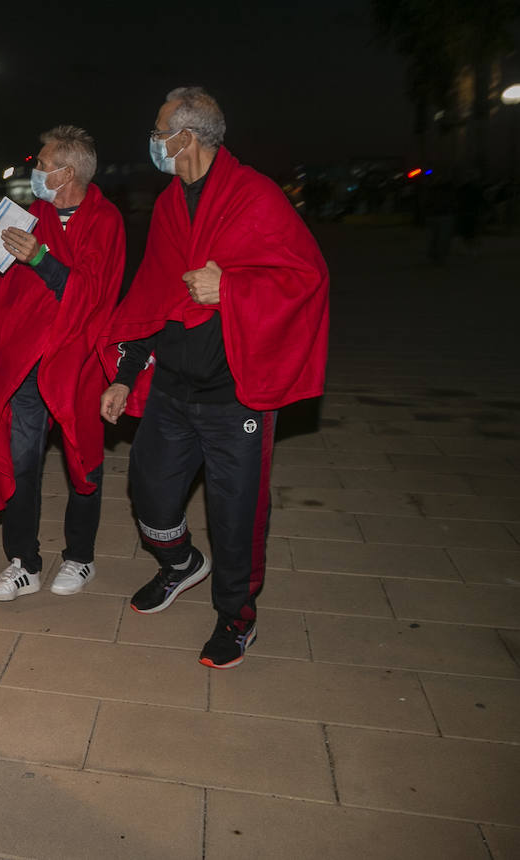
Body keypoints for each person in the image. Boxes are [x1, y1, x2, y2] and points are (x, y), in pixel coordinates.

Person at [98, 87, 329, 669]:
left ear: (186, 138)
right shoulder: (171, 204)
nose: (152, 141)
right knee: (149, 492)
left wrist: (230, 290)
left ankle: (236, 616)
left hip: (235, 395)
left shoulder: (256, 197)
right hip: (173, 388)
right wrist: (127, 374)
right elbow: (151, 295)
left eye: (158, 131)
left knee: (237, 515)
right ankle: (180, 564)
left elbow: (307, 280)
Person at [0, 126, 125, 601]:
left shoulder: (105, 220)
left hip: (78, 362)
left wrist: (41, 258)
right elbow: (4, 295)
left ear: (67, 172)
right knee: (22, 463)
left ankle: (80, 557)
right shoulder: (24, 216)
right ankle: (24, 562)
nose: (33, 172)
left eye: (41, 165)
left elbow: (92, 294)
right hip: (25, 366)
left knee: (82, 458)